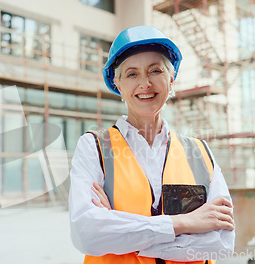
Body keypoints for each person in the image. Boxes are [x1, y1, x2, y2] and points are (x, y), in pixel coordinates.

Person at [68, 25, 235, 264]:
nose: (145, 83)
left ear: (171, 78)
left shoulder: (201, 153)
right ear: (118, 84)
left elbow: (221, 244)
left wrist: (121, 231)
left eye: (155, 71)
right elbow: (87, 234)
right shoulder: (94, 147)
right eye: (132, 74)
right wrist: (184, 223)